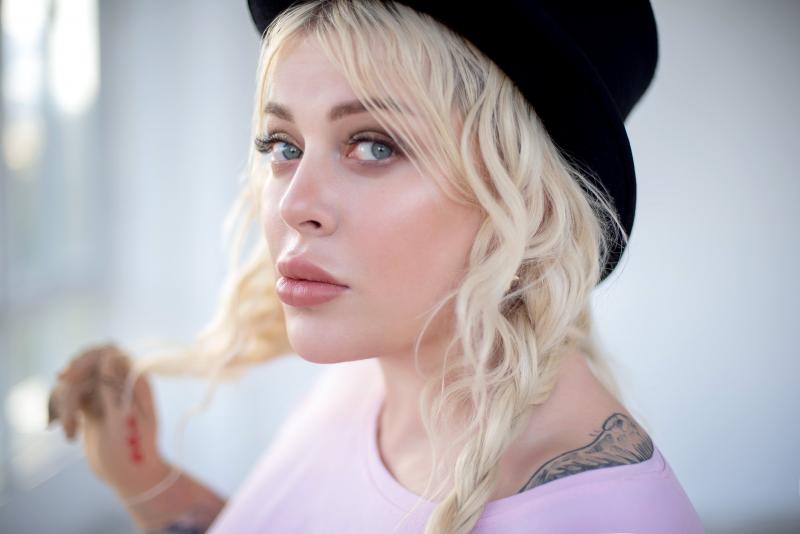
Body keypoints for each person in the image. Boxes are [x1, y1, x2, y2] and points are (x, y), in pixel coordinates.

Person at [48, 1, 706, 533]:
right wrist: (145, 480)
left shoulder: (601, 518)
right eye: (283, 145)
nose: (295, 204)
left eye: (373, 146)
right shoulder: (369, 382)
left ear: (528, 202)